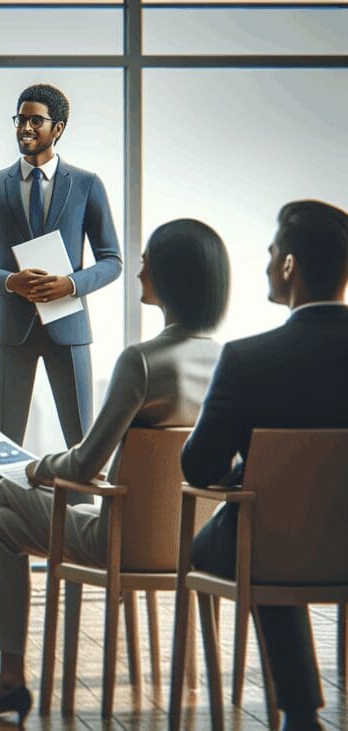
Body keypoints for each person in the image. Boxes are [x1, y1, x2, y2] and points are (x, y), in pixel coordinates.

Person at [0, 219, 230, 723]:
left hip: (121, 540)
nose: (139, 270)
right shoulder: (225, 363)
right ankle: (2, 677)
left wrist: (36, 467)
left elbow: (86, 463)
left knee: (7, 498)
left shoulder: (142, 362)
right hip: (191, 546)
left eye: (148, 260)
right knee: (4, 526)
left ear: (173, 276)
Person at [182, 200, 348, 731]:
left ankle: (299, 711)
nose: (267, 263)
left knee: (262, 529)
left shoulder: (250, 358)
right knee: (276, 526)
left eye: (272, 251)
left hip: (271, 548)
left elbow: (199, 465)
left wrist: (247, 475)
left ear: (290, 266)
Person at [0, 83, 122, 499]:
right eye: (21, 119)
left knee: (82, 447)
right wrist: (8, 281)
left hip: (68, 328)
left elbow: (112, 260)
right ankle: (6, 553)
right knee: (4, 449)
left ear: (59, 128)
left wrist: (71, 284)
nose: (25, 127)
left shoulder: (86, 184)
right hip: (11, 332)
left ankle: (82, 546)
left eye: (36, 120)